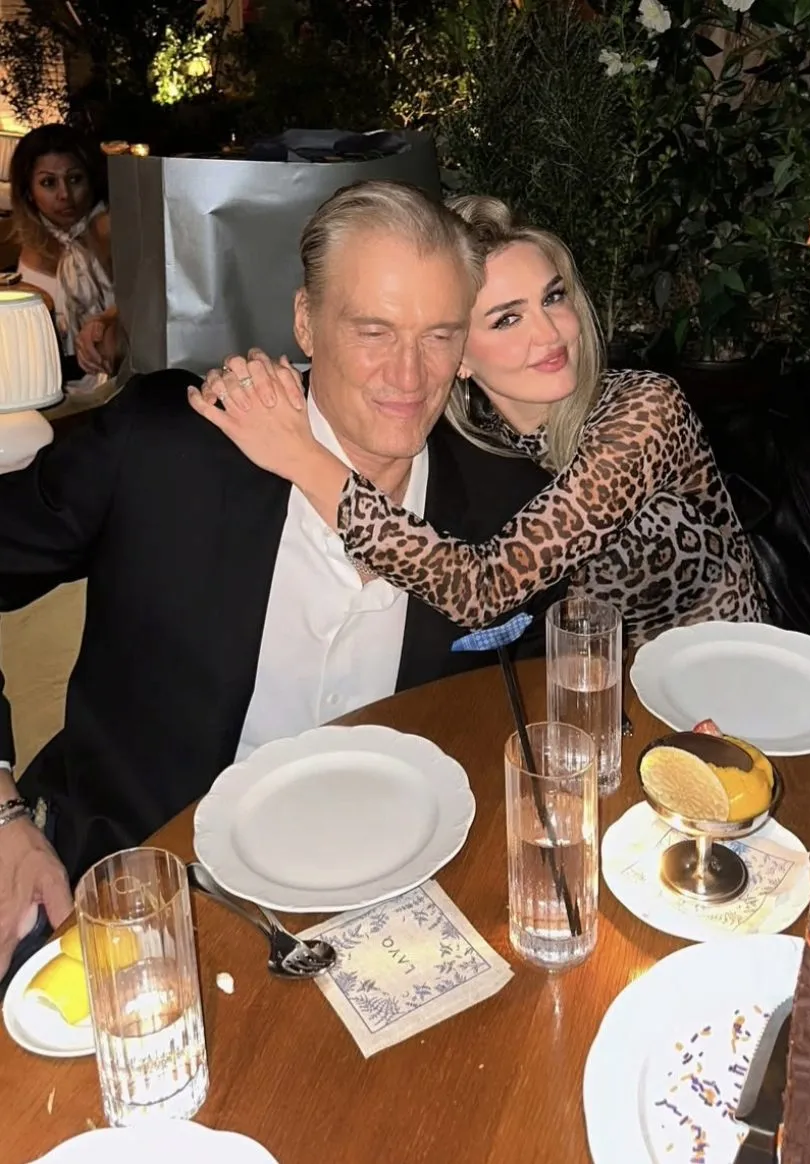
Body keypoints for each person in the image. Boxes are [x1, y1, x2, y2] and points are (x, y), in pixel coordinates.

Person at [0, 180, 564, 989]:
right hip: (140, 895)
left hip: (395, 914)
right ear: (305, 321)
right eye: (373, 330)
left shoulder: (511, 509)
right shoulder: (165, 450)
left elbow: (538, 723)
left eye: (438, 335)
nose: (409, 374)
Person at [195, 196, 765, 646]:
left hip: (724, 681)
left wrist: (302, 457)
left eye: (553, 298)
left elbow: (484, 588)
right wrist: (254, 384)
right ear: (457, 352)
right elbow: (361, 375)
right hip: (593, 702)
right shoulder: (471, 441)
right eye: (507, 319)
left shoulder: (644, 409)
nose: (549, 333)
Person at [10, 124, 120, 377]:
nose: (64, 194)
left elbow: (152, 299)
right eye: (48, 182)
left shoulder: (115, 227)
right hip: (47, 374)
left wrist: (109, 319)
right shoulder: (32, 241)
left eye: (74, 179)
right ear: (29, 192)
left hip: (117, 374)